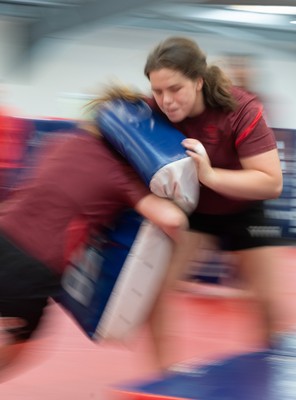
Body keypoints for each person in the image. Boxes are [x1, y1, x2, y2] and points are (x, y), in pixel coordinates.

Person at [0, 89, 189, 378]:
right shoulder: (119, 175)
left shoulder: (64, 140)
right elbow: (172, 220)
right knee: (22, 342)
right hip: (32, 268)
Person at [142, 36, 284, 369]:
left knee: (266, 302)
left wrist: (211, 175)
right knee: (156, 293)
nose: (166, 100)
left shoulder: (240, 108)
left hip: (242, 204)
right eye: (158, 91)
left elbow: (271, 182)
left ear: (199, 80)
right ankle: (164, 380)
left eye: (175, 89)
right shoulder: (153, 109)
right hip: (192, 208)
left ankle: (267, 376)